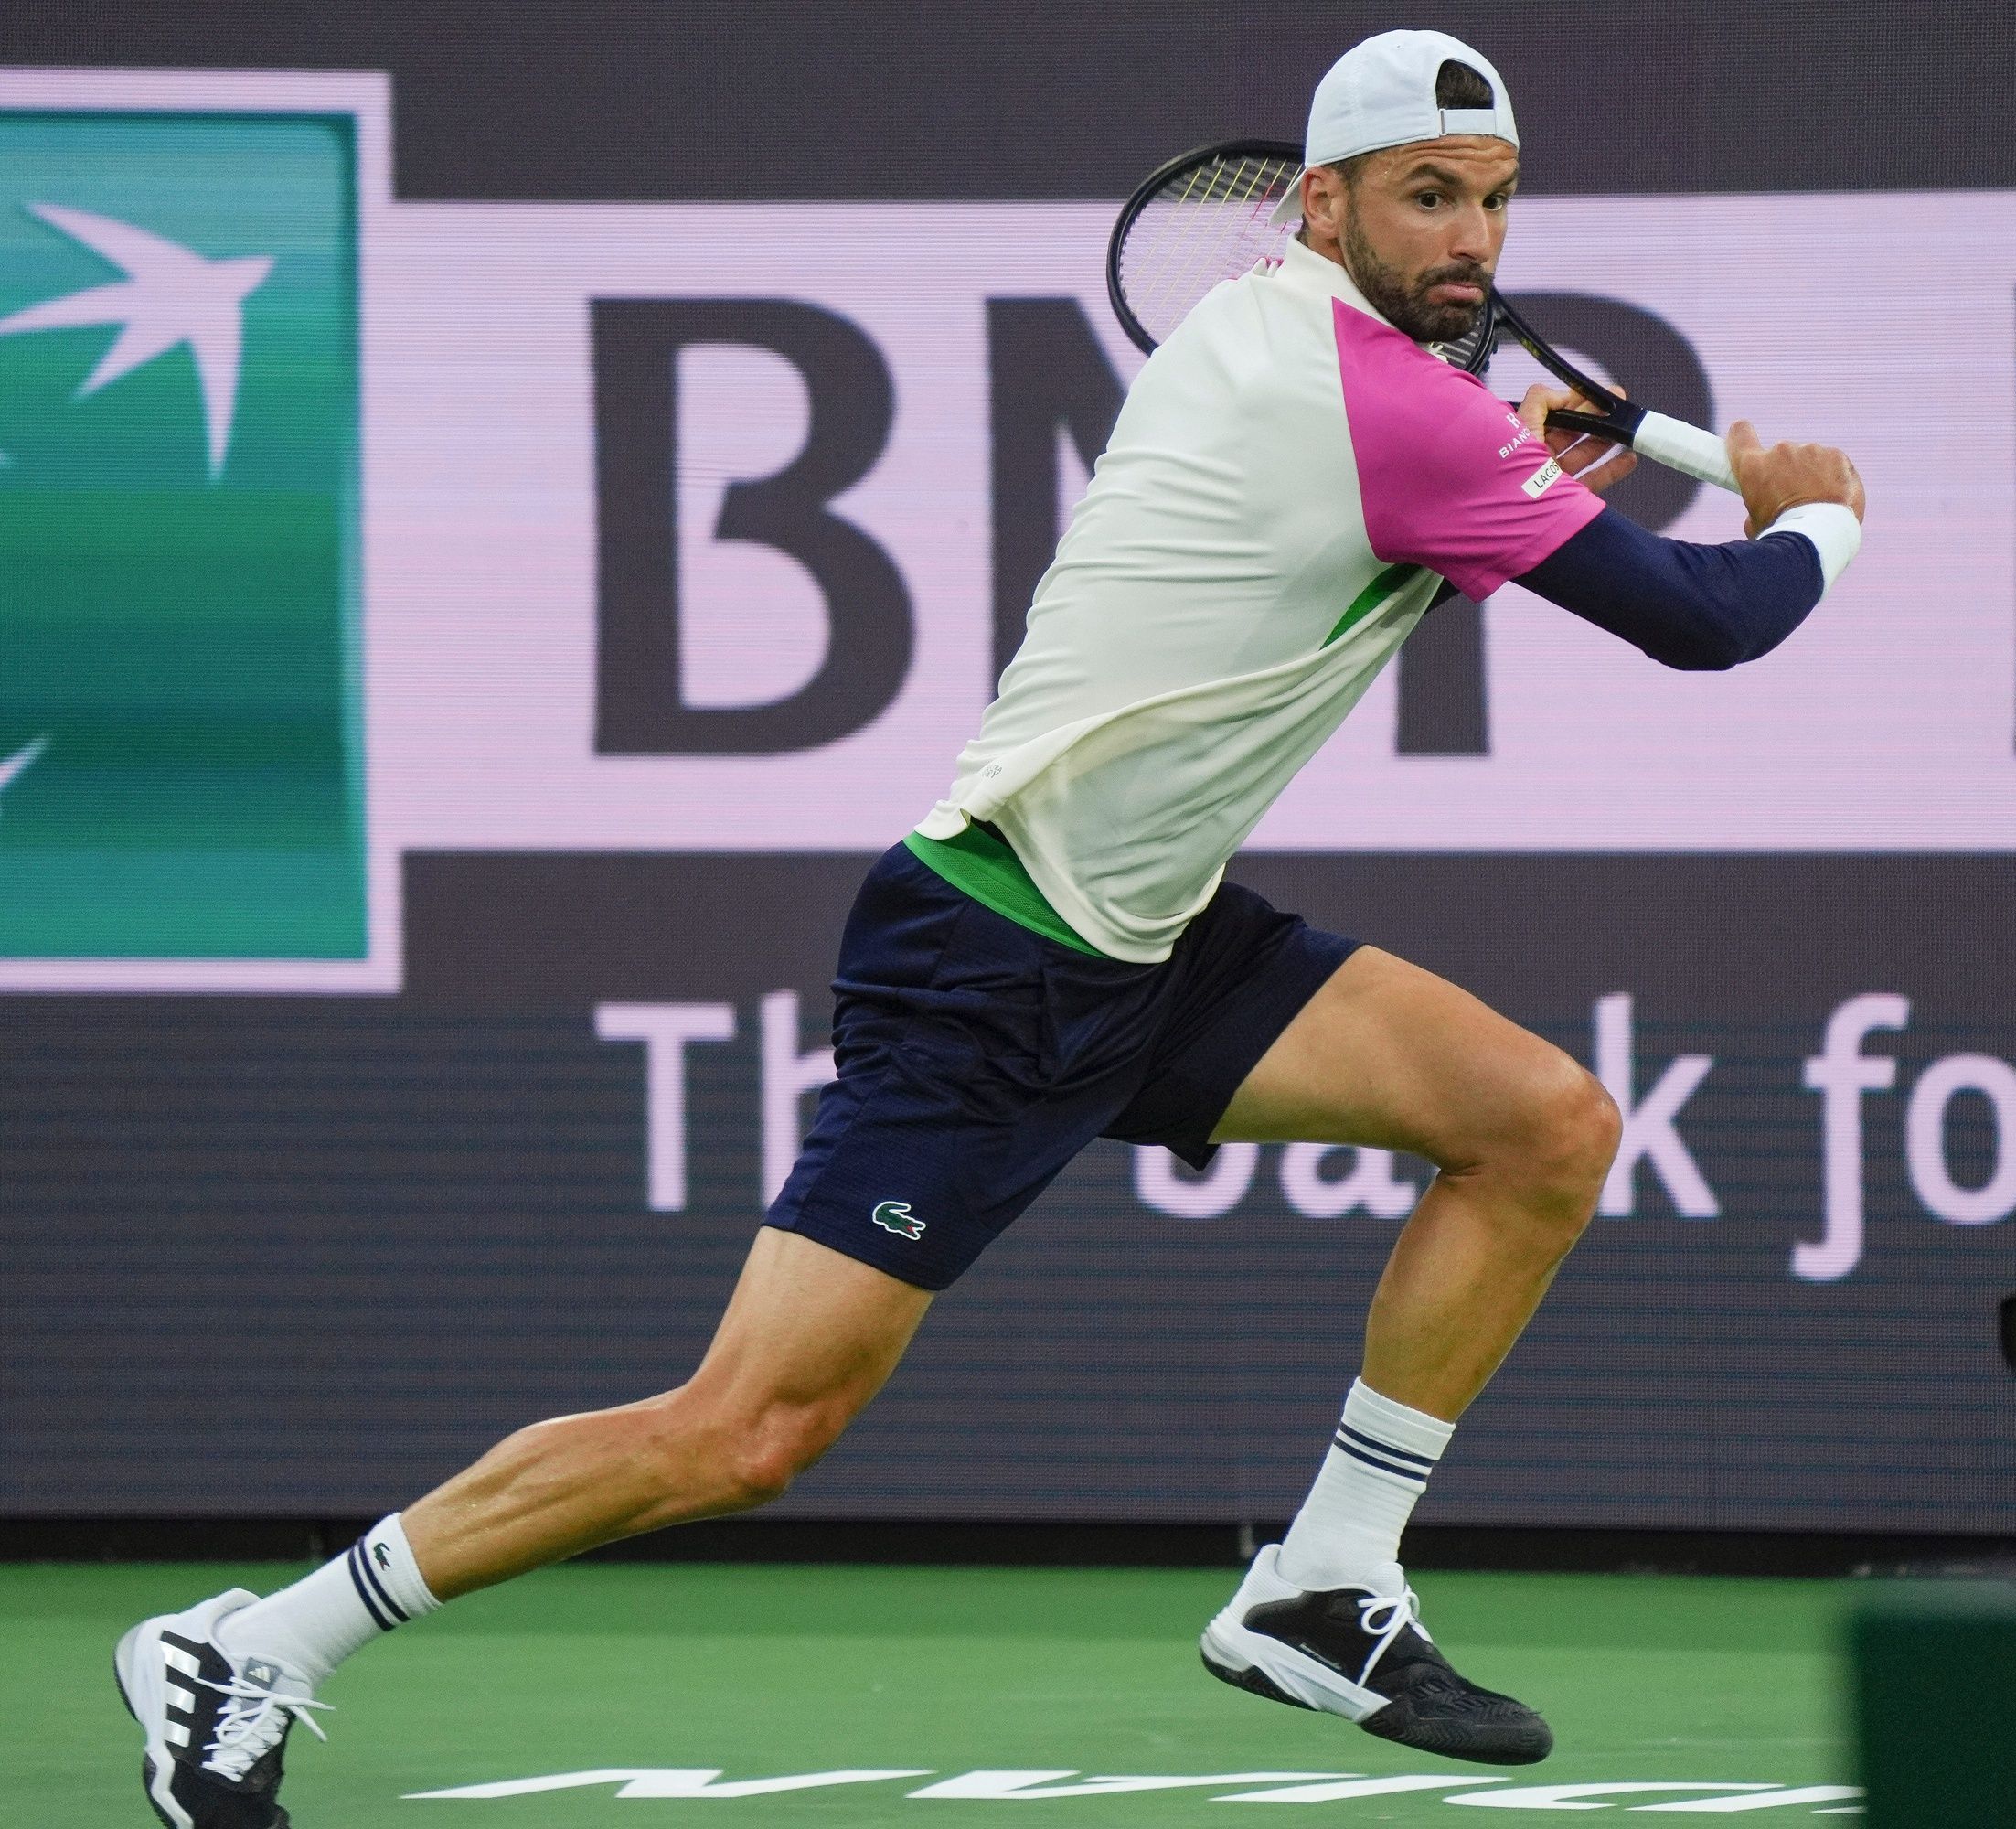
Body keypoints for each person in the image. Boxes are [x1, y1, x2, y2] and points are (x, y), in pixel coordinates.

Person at [117, 27, 1864, 1825]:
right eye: (1428, 198)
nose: (1470, 241)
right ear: (1317, 202)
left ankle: (1326, 1583)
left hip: (1152, 934)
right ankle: (255, 1642)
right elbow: (1707, 618)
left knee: (1540, 1127)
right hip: (993, 957)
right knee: (747, 1432)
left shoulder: (1273, 336)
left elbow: (1393, 499)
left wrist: (1525, 470)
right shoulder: (1391, 408)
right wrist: (1819, 525)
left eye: (1493, 202)